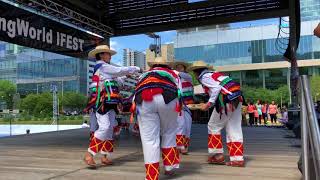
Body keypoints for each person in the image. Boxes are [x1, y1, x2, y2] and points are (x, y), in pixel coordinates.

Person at [83, 45, 141, 167]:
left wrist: (126, 76)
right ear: (102, 55)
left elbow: (118, 80)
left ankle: (105, 156)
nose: (109, 56)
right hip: (102, 101)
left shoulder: (106, 70)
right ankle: (90, 154)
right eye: (108, 54)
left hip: (110, 102)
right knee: (105, 127)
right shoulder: (102, 66)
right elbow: (118, 71)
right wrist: (135, 68)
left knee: (109, 129)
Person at [188, 60, 245, 167]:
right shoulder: (215, 74)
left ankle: (217, 156)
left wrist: (208, 104)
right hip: (236, 98)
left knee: (213, 126)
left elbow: (217, 88)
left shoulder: (203, 77)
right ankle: (237, 159)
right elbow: (220, 87)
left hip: (226, 101)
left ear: (196, 72)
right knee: (234, 129)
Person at [132, 57, 180, 179]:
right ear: (167, 66)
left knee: (149, 139)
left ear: (152, 66)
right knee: (169, 132)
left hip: (144, 99)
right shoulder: (174, 73)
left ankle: (152, 175)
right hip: (168, 97)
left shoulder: (144, 75)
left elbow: (135, 91)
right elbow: (179, 91)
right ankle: (169, 167)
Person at [171, 61, 194, 154]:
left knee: (187, 126)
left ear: (184, 68)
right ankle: (179, 145)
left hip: (188, 105)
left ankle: (184, 146)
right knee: (179, 126)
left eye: (181, 67)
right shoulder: (174, 79)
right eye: (177, 67)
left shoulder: (188, 77)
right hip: (177, 105)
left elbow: (184, 76)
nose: (179, 68)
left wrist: (174, 71)